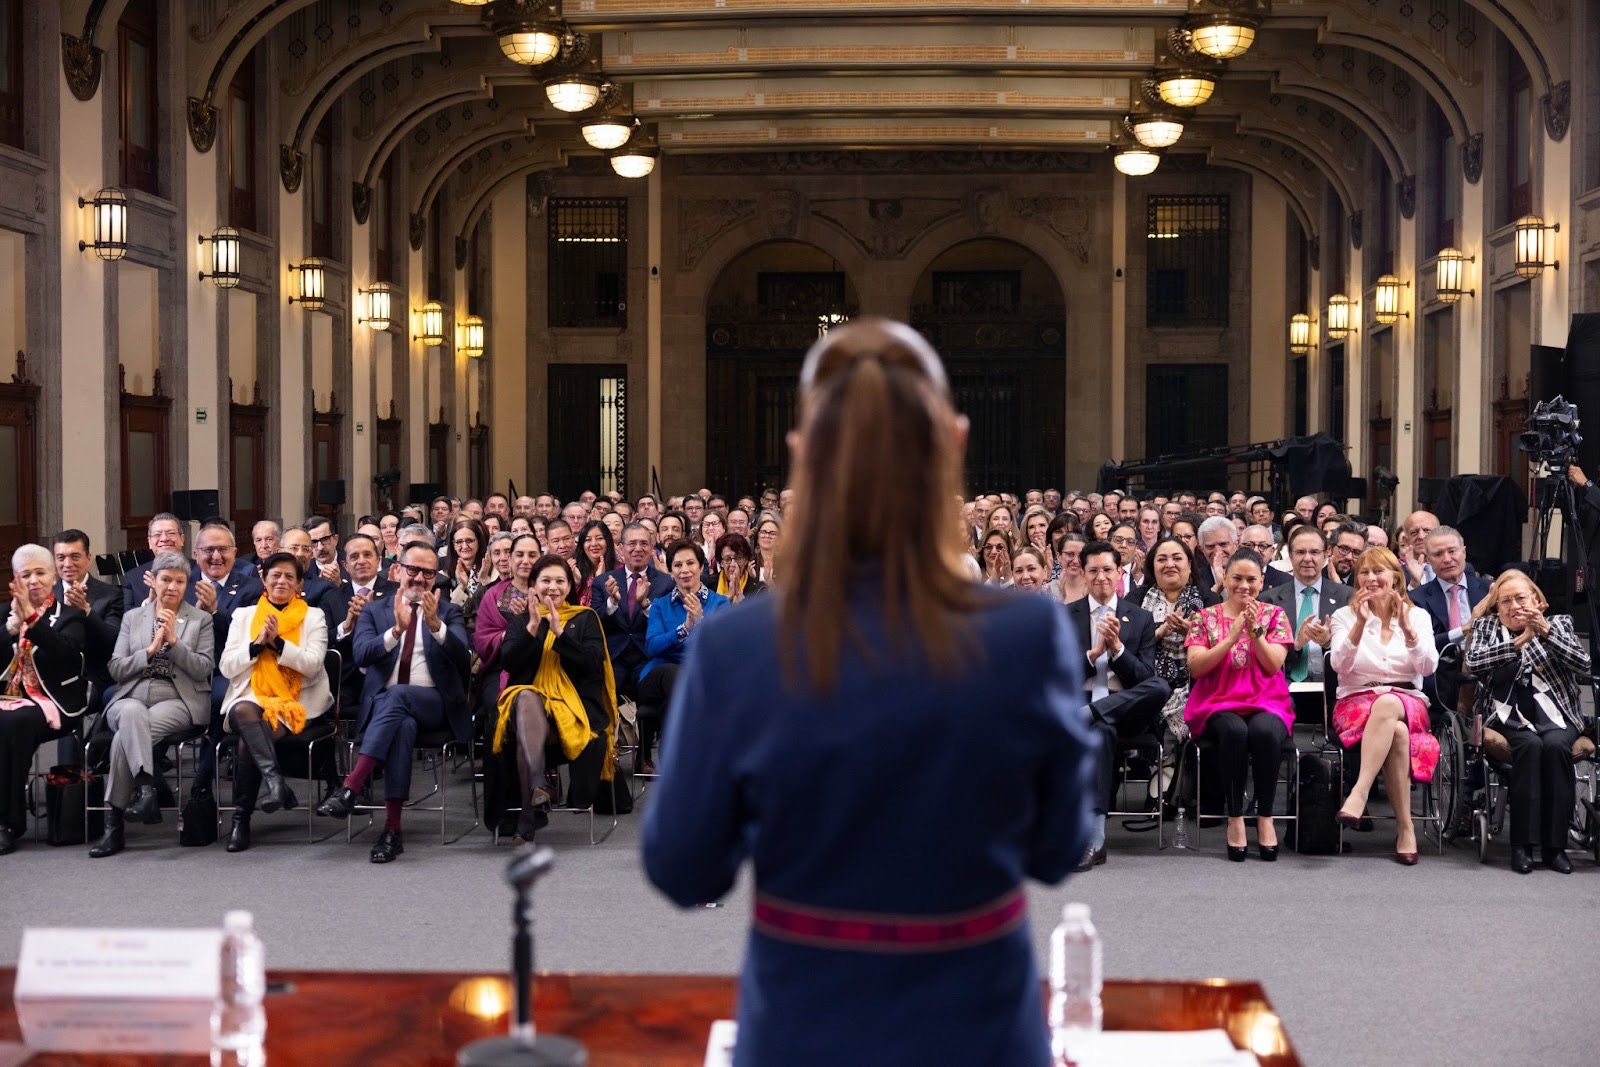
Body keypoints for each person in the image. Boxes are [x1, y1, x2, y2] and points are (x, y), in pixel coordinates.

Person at [641, 319, 1095, 1067]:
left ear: (803, 453)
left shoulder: (739, 645)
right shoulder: (1026, 633)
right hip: (977, 1030)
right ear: (954, 442)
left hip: (802, 1032)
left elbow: (684, 863)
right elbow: (1058, 846)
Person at [315, 542, 471, 864]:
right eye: (413, 569)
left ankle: (351, 785)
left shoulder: (448, 612)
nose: (420, 578)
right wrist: (397, 630)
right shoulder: (375, 610)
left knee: (398, 695)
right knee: (402, 725)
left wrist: (435, 626)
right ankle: (392, 831)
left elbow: (463, 658)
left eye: (428, 572)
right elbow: (362, 655)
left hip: (435, 705)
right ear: (397, 570)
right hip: (389, 709)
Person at [1464, 570, 1590, 874]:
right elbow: (1473, 663)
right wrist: (1518, 642)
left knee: (1556, 746)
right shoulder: (1487, 627)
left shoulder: (1559, 623)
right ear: (1497, 607)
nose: (1514, 606)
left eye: (1520, 598)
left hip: (1557, 713)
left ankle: (1554, 848)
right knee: (1530, 746)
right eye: (1505, 601)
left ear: (1535, 599)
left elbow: (1583, 664)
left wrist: (1544, 631)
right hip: (1506, 713)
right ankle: (1522, 845)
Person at [93, 552, 214, 858]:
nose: (172, 586)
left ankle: (114, 826)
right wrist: (148, 651)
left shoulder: (200, 619)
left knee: (124, 736)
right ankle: (146, 788)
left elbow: (203, 668)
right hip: (130, 695)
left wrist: (174, 642)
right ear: (154, 582)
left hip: (177, 698)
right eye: (166, 579)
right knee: (131, 713)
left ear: (187, 584)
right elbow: (116, 669)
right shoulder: (133, 617)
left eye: (179, 581)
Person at [491, 554, 618, 843]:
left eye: (560, 581)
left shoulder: (585, 617)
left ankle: (530, 810)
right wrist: (532, 629)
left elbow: (592, 665)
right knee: (525, 695)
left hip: (574, 708)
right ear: (533, 586)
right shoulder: (521, 622)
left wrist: (561, 634)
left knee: (525, 737)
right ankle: (536, 788)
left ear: (569, 586)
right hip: (529, 710)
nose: (553, 587)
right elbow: (510, 664)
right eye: (545, 580)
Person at [1326, 547, 1439, 865]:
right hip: (1356, 701)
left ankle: (1359, 792)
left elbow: (1428, 667)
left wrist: (1407, 630)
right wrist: (1359, 626)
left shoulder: (1418, 616)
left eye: (1378, 571)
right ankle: (1406, 828)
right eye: (1364, 572)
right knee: (1398, 734)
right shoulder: (1345, 616)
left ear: (1396, 578)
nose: (1371, 578)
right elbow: (1339, 666)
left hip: (1408, 701)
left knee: (1389, 702)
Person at [216, 552, 333, 851]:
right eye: (275, 575)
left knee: (248, 741)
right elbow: (227, 667)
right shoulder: (244, 616)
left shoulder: (313, 616)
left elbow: (312, 665)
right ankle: (275, 783)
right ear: (264, 579)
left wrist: (278, 643)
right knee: (244, 709)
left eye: (289, 577)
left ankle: (242, 819)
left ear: (299, 584)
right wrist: (256, 646)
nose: (281, 581)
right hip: (251, 694)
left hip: (295, 699)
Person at [1183, 549, 1295, 861]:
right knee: (1234, 732)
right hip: (1216, 703)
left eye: (1251, 579)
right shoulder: (1204, 617)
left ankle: (1265, 816)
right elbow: (1196, 668)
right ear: (1225, 578)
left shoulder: (1275, 615)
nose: (1244, 586)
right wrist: (1230, 638)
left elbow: (1273, 666)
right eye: (1237, 578)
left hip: (1267, 702)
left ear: (1262, 581)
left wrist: (1255, 633)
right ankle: (1235, 817)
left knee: (1264, 733)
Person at [1068, 539, 1169, 867]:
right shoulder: (1066, 616)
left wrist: (1117, 650)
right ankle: (1095, 840)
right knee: (1100, 731)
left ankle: (1090, 714)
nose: (1101, 577)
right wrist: (1093, 654)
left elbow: (1145, 678)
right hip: (1084, 706)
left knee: (1160, 686)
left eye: (1107, 570)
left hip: (1126, 710)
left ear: (1119, 573)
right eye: (1093, 570)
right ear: (1084, 574)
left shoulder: (1139, 618)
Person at [0, 546, 89, 853]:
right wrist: (11, 627)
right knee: (8, 720)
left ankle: (7, 823)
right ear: (16, 581)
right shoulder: (4, 614)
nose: (34, 580)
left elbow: (66, 655)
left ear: (53, 577)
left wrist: (32, 621)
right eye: (26, 575)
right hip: (8, 697)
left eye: (40, 573)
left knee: (13, 723)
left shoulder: (70, 615)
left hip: (54, 701)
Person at [636, 540, 730, 772]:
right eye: (678, 565)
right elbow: (653, 646)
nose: (684, 570)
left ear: (701, 567)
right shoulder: (660, 605)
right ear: (670, 571)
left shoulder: (720, 603)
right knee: (675, 674)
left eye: (690, 563)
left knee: (681, 688)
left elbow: (723, 649)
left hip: (702, 678)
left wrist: (700, 622)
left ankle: (673, 757)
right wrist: (684, 629)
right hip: (658, 675)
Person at [1137, 535, 1217, 746]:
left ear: (1189, 565)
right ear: (1152, 566)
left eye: (1177, 558)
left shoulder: (1209, 600)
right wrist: (1158, 633)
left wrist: (1194, 633)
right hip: (1147, 685)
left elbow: (1221, 646)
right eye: (1162, 559)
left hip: (1197, 686)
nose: (1169, 564)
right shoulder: (1136, 600)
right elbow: (1128, 647)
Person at [1259, 525, 1351, 688]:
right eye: (1300, 552)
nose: (1307, 558)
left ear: (1326, 554)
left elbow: (1356, 654)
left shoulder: (1347, 597)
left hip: (1334, 686)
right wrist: (1296, 645)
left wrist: (1328, 643)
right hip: (1284, 686)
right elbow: (1264, 657)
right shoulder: (1269, 600)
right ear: (1291, 555)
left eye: (1314, 552)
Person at [593, 524, 674, 704]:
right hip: (613, 657)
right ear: (621, 548)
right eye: (632, 543)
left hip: (648, 656)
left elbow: (668, 624)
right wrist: (612, 603)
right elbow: (594, 622)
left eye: (644, 543)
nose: (638, 548)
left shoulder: (665, 583)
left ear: (652, 548)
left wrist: (645, 605)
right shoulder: (603, 581)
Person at [51, 529, 124, 715]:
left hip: (92, 677)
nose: (67, 564)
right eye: (61, 558)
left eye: (75, 557)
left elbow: (113, 641)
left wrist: (86, 610)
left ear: (88, 558)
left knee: (68, 701)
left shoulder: (111, 594)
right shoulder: (47, 594)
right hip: (52, 675)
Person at [1411, 526, 1491, 648]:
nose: (1447, 559)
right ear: (1428, 560)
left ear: (1464, 553)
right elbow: (1419, 645)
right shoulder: (1416, 599)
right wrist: (1466, 629)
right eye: (1438, 554)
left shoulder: (1489, 590)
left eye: (1452, 551)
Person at [121, 513, 187, 611]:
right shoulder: (133, 578)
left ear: (182, 539)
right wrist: (151, 600)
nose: (164, 539)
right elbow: (129, 618)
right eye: (157, 534)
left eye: (171, 533)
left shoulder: (199, 572)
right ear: (149, 542)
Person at [440, 516, 490, 626]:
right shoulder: (443, 576)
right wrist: (461, 586)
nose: (464, 546)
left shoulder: (492, 570)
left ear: (479, 542)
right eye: (459, 542)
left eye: (469, 541)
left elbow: (494, 607)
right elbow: (446, 613)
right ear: (453, 545)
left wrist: (484, 581)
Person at [714, 534, 766, 603]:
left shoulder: (758, 589)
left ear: (746, 560)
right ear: (721, 562)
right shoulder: (709, 586)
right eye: (727, 559)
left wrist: (739, 593)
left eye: (738, 558)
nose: (733, 564)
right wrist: (729, 597)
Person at [1045, 531, 1087, 604]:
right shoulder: (1047, 590)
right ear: (1059, 557)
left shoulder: (1095, 588)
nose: (1076, 561)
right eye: (1070, 554)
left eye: (1081, 555)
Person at [753, 515, 781, 583]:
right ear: (757, 537)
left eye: (772, 533)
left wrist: (769, 581)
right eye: (763, 532)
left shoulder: (785, 564)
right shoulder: (750, 562)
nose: (767, 536)